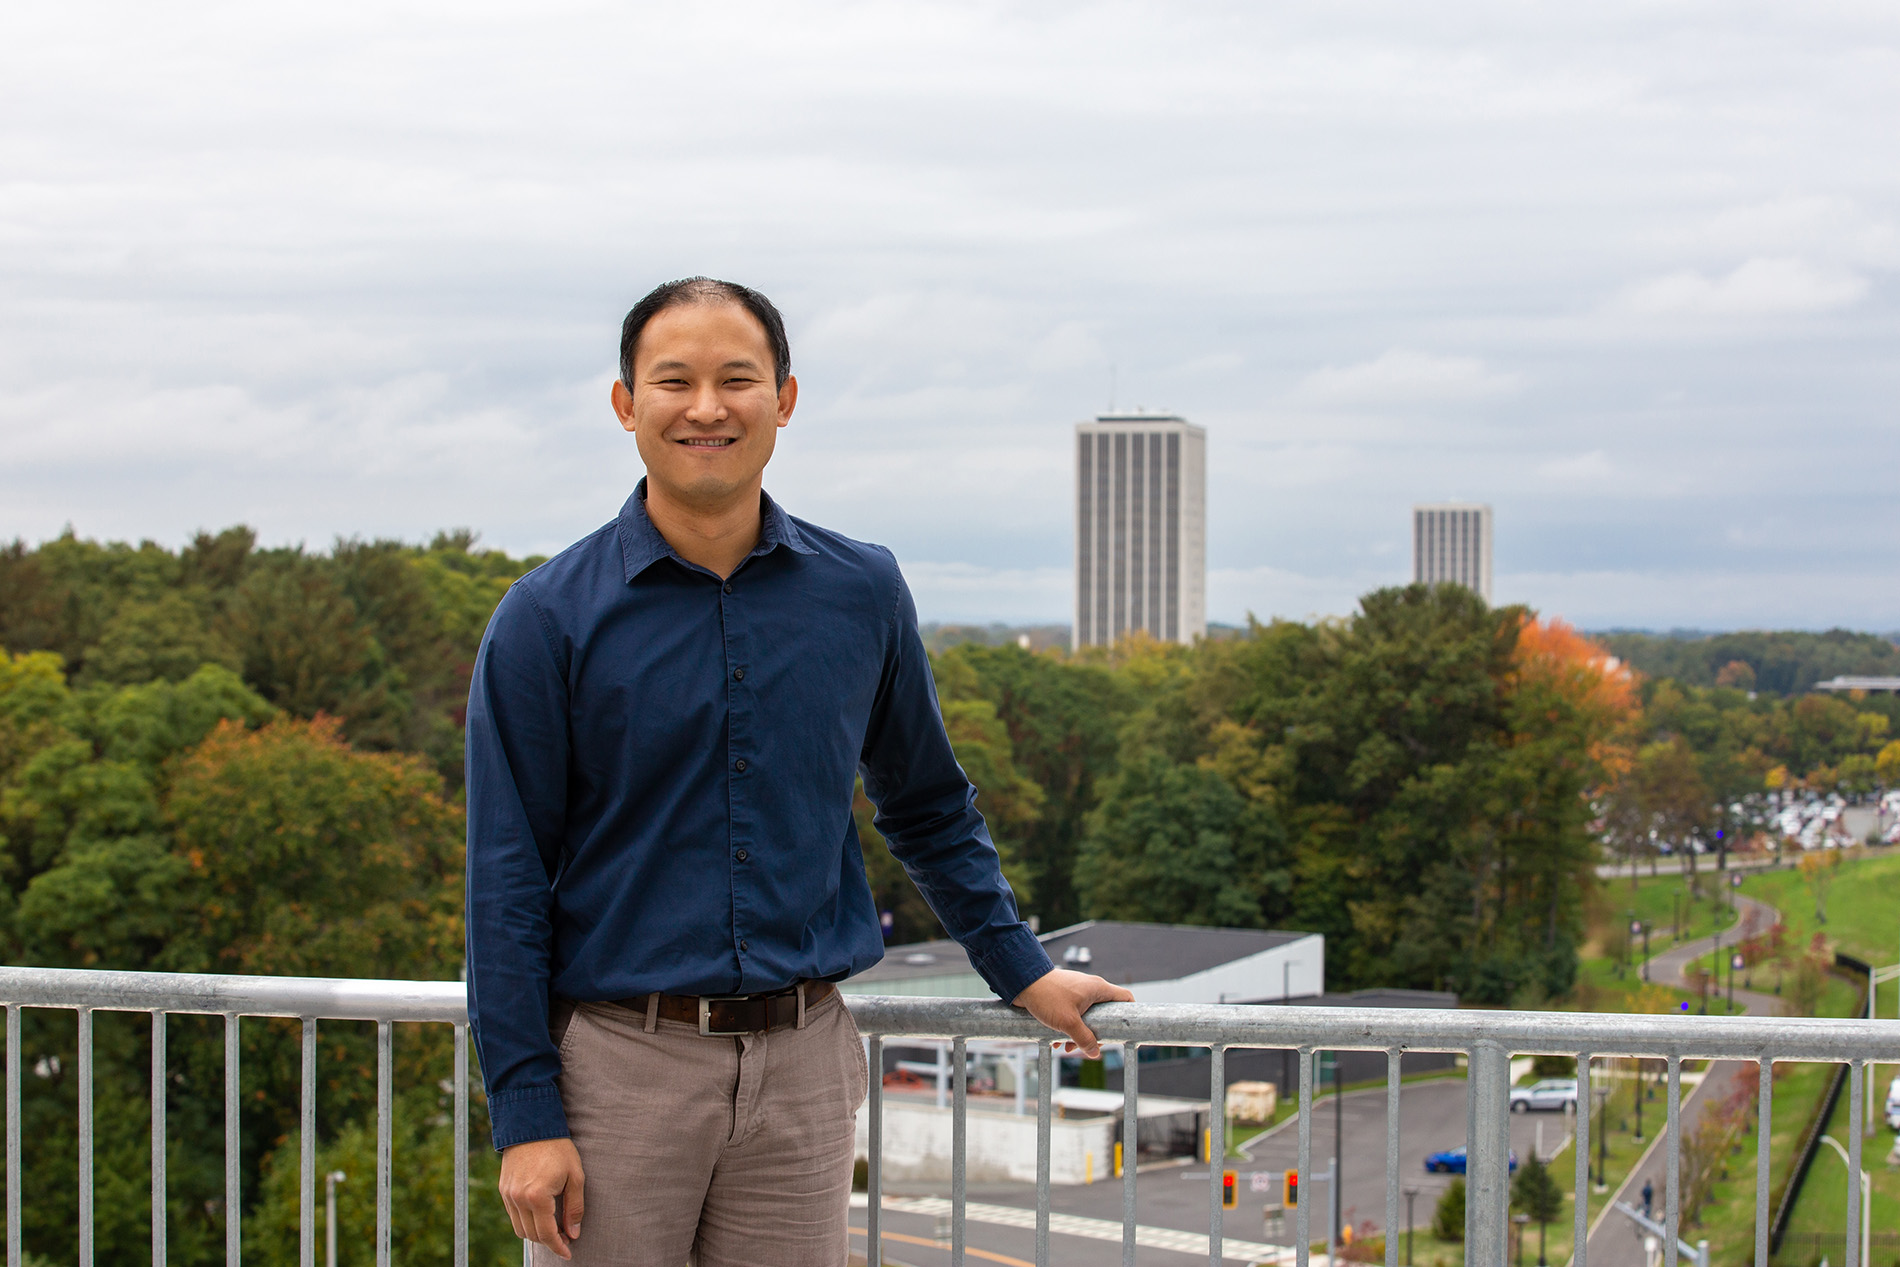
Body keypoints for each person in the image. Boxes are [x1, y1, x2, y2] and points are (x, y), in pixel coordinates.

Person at [464, 277, 1132, 1265]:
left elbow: (927, 805)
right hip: (617, 1069)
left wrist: (1018, 966)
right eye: (673, 380)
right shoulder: (546, 619)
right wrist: (524, 1112)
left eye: (736, 379)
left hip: (805, 1069)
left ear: (782, 397)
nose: (706, 407)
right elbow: (506, 880)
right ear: (625, 404)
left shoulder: (860, 591)